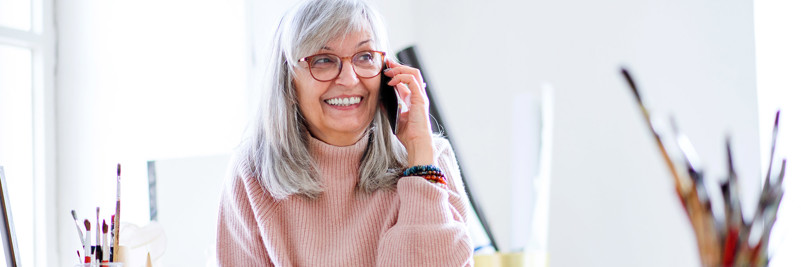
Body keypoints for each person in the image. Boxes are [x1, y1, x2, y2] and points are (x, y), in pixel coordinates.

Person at [216, 0, 473, 265]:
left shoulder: (430, 159)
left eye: (365, 57)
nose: (349, 80)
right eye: (324, 60)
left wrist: (419, 157)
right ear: (288, 81)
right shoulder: (253, 171)